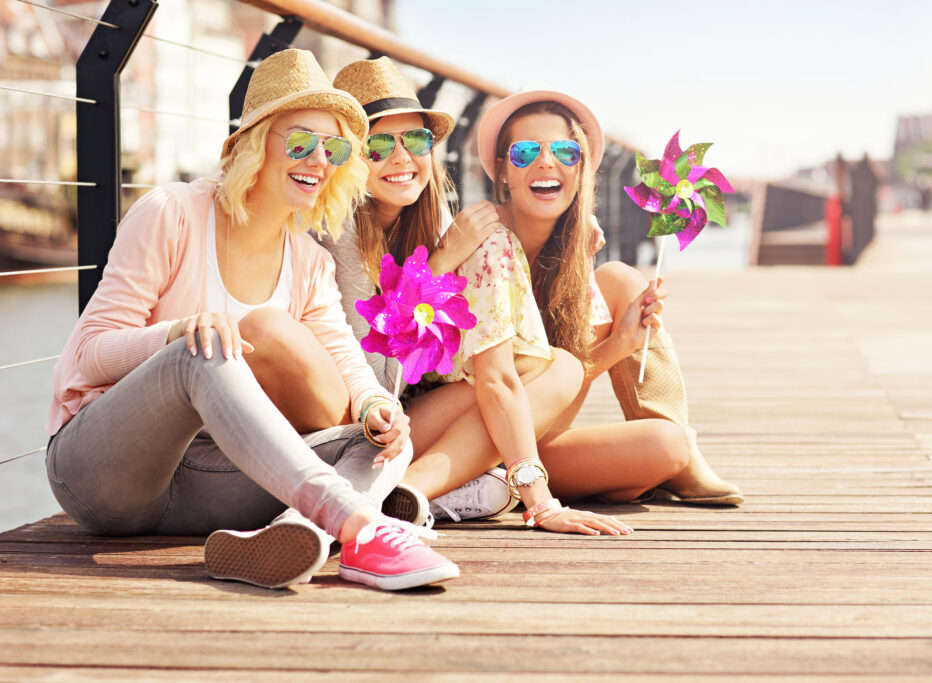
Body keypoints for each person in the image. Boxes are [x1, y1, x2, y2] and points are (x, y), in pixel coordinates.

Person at [44, 49, 458, 592]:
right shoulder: (172, 212)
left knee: (384, 437)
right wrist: (176, 333)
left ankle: (296, 532)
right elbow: (88, 354)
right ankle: (360, 528)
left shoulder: (310, 260)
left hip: (203, 486)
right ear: (256, 143)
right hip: (102, 473)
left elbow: (343, 357)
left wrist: (375, 405)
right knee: (207, 347)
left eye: (332, 148)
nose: (318, 159)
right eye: (300, 141)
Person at [324, 58, 630, 535]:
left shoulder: (431, 221)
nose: (402, 158)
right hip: (357, 428)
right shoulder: (335, 231)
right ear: (344, 155)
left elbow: (482, 362)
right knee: (543, 371)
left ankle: (408, 496)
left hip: (405, 419)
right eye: (378, 145)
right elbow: (374, 361)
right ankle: (396, 497)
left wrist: (565, 242)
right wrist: (442, 261)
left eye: (417, 141)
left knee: (552, 369)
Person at [470, 90, 744, 507]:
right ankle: (668, 460)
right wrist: (618, 346)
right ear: (503, 171)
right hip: (495, 441)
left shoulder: (573, 244)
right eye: (525, 152)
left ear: (581, 169)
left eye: (565, 150)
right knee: (661, 452)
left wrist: (621, 332)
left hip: (543, 429)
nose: (546, 161)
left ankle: (679, 453)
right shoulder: (487, 246)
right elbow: (515, 397)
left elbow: (559, 400)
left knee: (619, 278)